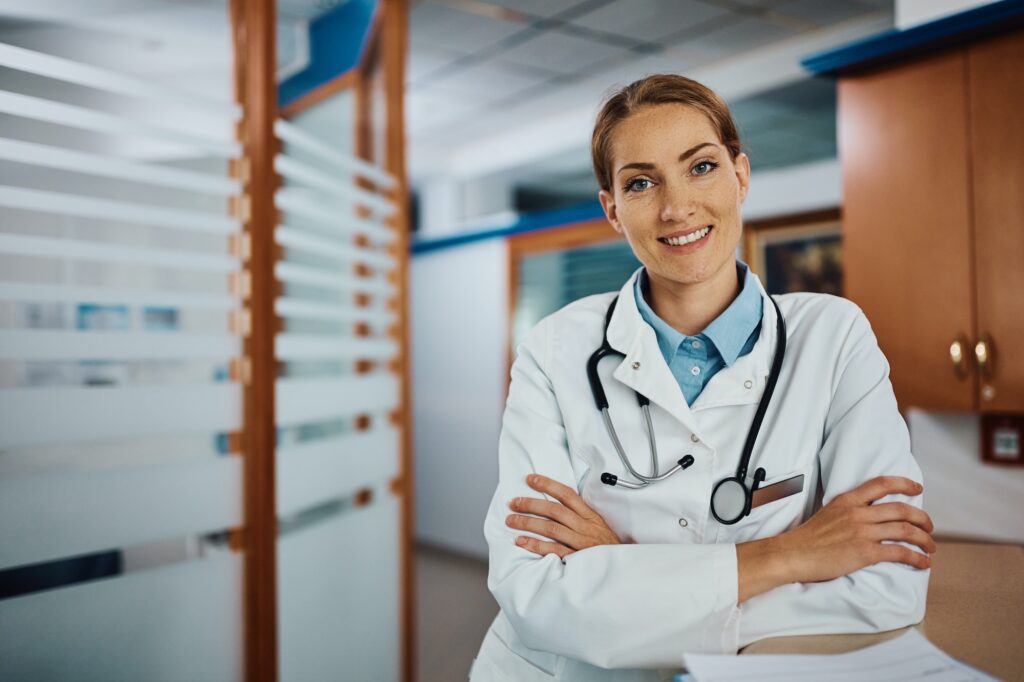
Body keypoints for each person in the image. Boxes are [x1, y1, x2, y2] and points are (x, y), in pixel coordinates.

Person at [468, 74, 933, 682]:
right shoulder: (554, 348)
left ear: (741, 175)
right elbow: (532, 596)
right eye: (640, 182)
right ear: (612, 209)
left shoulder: (834, 336)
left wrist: (619, 569)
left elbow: (886, 587)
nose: (676, 206)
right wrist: (789, 555)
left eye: (701, 167)